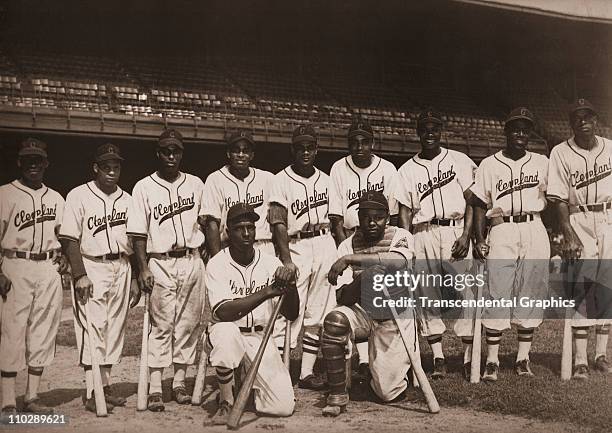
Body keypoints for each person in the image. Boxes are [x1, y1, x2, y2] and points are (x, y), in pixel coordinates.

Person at [394, 109, 476, 379]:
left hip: (454, 231)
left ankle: (467, 356)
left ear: (441, 131)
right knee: (426, 294)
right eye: (424, 128)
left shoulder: (459, 160)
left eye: (434, 128)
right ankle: (439, 357)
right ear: (418, 132)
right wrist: (405, 245)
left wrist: (466, 236)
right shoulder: (406, 169)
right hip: (423, 232)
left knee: (466, 292)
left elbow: (471, 202)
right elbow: (405, 212)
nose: (429, 133)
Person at [128, 128, 207, 410]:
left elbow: (208, 223)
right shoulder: (143, 187)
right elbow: (137, 234)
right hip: (159, 260)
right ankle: (154, 386)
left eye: (176, 151)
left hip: (191, 258)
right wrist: (143, 269)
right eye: (166, 151)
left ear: (182, 153)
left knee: (188, 324)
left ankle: (179, 383)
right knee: (161, 325)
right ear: (158, 153)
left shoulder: (196, 184)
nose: (171, 155)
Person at [321, 191, 417, 416]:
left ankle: (389, 371)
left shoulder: (400, 235)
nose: (372, 223)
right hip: (364, 310)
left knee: (386, 393)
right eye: (366, 217)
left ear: (388, 217)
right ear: (359, 218)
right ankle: (337, 394)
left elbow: (397, 261)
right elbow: (343, 297)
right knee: (335, 321)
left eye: (378, 217)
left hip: (395, 313)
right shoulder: (347, 244)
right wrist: (366, 277)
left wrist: (351, 261)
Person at [471, 107, 550, 380]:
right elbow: (480, 204)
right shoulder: (489, 164)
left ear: (530, 133)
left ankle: (522, 358)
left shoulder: (542, 162)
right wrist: (479, 238)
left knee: (531, 289)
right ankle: (492, 361)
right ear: (505, 131)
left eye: (525, 128)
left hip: (533, 225)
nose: (520, 133)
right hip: (502, 228)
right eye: (515, 128)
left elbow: (556, 197)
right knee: (497, 289)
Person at [60, 143, 140, 413]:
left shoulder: (128, 200)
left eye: (116, 166)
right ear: (96, 167)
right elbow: (69, 238)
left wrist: (136, 277)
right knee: (92, 327)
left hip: (122, 265)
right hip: (92, 265)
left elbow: (136, 241)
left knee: (114, 328)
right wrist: (79, 274)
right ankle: (92, 390)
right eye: (106, 166)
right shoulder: (78, 195)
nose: (111, 171)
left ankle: (105, 387)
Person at [205, 203, 298, 425]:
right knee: (228, 334)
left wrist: (290, 286)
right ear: (227, 231)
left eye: (251, 227)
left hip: (260, 338)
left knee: (282, 407)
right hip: (225, 333)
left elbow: (292, 313)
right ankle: (226, 400)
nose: (247, 233)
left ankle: (247, 385)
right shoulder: (217, 263)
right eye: (239, 228)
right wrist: (266, 292)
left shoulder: (270, 262)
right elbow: (223, 312)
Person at [0, 138, 67, 414]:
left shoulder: (56, 197)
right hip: (15, 264)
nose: (33, 164)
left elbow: (66, 235)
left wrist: (63, 256)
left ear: (46, 163)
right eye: (28, 159)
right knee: (12, 330)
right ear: (19, 162)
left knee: (43, 329)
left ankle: (32, 396)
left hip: (48, 266)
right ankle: (6, 400)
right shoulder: (4, 194)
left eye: (38, 159)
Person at [268, 124, 338, 389]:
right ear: (293, 150)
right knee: (289, 311)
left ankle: (305, 373)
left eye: (310, 147)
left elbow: (336, 219)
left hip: (324, 241)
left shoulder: (327, 179)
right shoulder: (280, 179)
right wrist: (287, 259)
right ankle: (276, 371)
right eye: (300, 147)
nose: (305, 152)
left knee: (319, 311)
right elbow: (278, 223)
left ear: (316, 149)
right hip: (297, 245)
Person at [328, 119, 399, 378]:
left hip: (381, 237)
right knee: (351, 298)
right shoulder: (338, 167)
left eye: (364, 142)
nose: (359, 147)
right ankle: (361, 361)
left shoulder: (388, 168)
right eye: (354, 143)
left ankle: (384, 359)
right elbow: (336, 216)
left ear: (372, 143)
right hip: (352, 233)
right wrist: (343, 250)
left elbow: (391, 214)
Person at [547, 98, 612, 379]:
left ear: (596, 120)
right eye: (577, 117)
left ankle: (601, 354)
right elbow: (558, 198)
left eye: (587, 116)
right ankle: (580, 359)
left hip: (609, 217)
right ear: (571, 122)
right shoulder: (561, 152)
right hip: (579, 218)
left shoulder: (611, 148)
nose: (582, 121)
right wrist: (569, 234)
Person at [201, 131, 275, 258]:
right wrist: (217, 259)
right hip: (230, 247)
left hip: (263, 246)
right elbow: (212, 224)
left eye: (245, 151)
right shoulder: (215, 179)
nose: (241, 155)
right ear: (228, 153)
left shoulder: (268, 179)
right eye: (236, 150)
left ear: (252, 155)